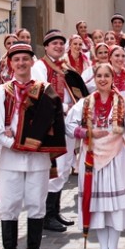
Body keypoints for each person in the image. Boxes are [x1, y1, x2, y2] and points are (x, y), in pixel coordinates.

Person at [0, 42, 67, 249]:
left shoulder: (44, 90)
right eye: (16, 59)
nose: (21, 63)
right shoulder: (1, 92)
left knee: (36, 204)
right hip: (10, 159)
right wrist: (13, 143)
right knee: (9, 205)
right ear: (10, 64)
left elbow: (54, 123)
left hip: (38, 159)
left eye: (25, 59)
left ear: (32, 61)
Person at [66, 63, 125, 249]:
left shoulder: (123, 103)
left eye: (107, 75)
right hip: (91, 156)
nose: (102, 79)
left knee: (113, 205)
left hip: (116, 157)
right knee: (96, 203)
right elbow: (69, 124)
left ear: (112, 79)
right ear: (95, 79)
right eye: (99, 75)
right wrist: (86, 133)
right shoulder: (85, 102)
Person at [31, 29, 89, 232]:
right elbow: (41, 91)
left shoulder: (65, 67)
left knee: (64, 167)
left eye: (60, 43)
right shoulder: (39, 66)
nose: (57, 46)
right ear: (46, 47)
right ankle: (47, 215)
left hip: (68, 121)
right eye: (53, 43)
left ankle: (54, 211)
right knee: (56, 165)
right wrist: (65, 108)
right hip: (52, 122)